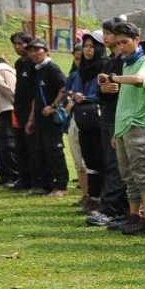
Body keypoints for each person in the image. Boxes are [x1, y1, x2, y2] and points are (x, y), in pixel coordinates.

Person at [101, 21, 145, 235]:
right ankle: (133, 216)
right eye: (118, 43)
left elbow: (139, 80)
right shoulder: (125, 63)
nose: (121, 47)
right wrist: (116, 131)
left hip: (138, 125)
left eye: (125, 42)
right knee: (127, 175)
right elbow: (123, 101)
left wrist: (114, 78)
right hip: (123, 127)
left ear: (137, 39)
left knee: (141, 173)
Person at [86, 18, 131, 228]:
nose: (105, 37)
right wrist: (103, 89)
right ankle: (114, 207)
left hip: (122, 118)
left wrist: (115, 87)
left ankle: (112, 209)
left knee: (117, 164)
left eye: (109, 33)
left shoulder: (130, 61)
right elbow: (100, 91)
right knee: (110, 162)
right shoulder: (108, 61)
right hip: (108, 115)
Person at [24, 39, 69, 197]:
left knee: (55, 151)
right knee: (41, 151)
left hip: (52, 119)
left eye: (38, 50)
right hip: (39, 119)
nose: (34, 53)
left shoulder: (52, 68)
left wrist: (53, 106)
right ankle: (46, 185)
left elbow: (64, 88)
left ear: (46, 50)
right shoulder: (36, 70)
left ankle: (61, 186)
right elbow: (36, 97)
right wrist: (31, 119)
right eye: (31, 51)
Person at [71, 32, 106, 210]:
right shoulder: (81, 70)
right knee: (88, 157)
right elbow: (75, 89)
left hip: (98, 117)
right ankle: (92, 197)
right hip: (82, 118)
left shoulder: (104, 68)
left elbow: (102, 94)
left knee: (100, 157)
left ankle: (101, 198)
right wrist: (77, 96)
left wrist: (87, 97)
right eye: (85, 46)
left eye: (92, 46)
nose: (88, 50)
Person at [10, 32, 36, 191]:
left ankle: (35, 178)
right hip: (18, 108)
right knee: (20, 144)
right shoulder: (19, 63)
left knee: (32, 145)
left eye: (21, 43)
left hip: (31, 109)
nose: (18, 47)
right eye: (15, 44)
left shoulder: (34, 63)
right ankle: (23, 178)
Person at [64, 47, 89, 205]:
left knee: (88, 160)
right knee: (77, 159)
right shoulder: (74, 75)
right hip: (74, 117)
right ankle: (85, 194)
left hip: (88, 118)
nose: (80, 62)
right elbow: (67, 92)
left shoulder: (94, 74)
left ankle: (92, 195)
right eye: (77, 59)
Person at [0, 56, 18, 186]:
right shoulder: (13, 70)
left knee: (6, 143)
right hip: (13, 109)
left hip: (6, 108)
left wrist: (13, 99)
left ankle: (10, 175)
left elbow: (0, 85)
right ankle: (7, 174)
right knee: (7, 141)